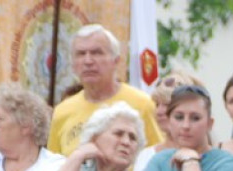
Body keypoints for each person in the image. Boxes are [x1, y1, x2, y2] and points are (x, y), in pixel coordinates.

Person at [47, 24, 162, 156]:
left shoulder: (142, 104)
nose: (88, 61)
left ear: (116, 61)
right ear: (73, 65)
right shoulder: (62, 111)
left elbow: (158, 157)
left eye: (97, 53)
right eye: (81, 54)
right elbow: (54, 168)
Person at [133, 71, 201, 171]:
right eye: (157, 104)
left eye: (166, 104)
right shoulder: (145, 155)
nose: (159, 111)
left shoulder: (204, 154)